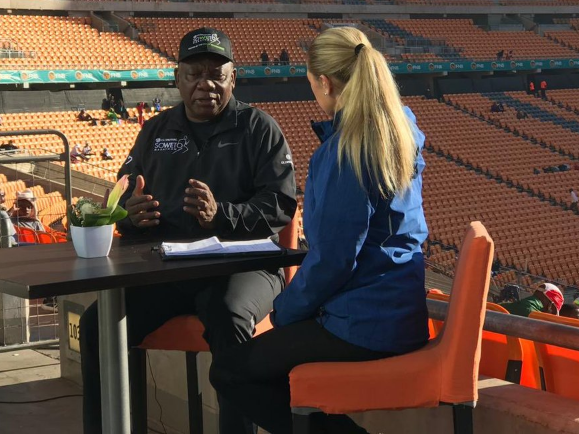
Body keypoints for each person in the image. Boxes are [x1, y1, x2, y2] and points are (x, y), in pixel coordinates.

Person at [210, 26, 429, 434]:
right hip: (402, 315)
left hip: (364, 325)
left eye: (312, 85)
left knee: (229, 370)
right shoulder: (400, 128)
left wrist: (284, 312)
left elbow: (333, 260)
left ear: (325, 82)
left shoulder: (346, 151)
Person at [79, 27, 296, 434]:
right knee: (97, 326)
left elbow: (281, 206)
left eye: (216, 73)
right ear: (177, 77)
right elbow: (122, 195)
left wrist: (222, 215)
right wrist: (130, 214)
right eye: (194, 73)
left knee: (229, 317)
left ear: (234, 77)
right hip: (170, 269)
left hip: (244, 268)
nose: (205, 84)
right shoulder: (155, 131)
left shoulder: (259, 128)